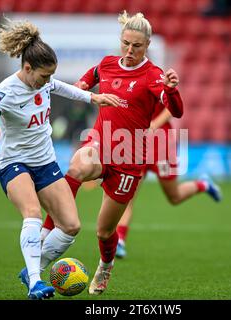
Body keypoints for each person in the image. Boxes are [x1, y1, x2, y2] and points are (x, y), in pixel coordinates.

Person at [0, 19, 119, 299]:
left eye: (50, 76)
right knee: (33, 214)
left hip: (45, 162)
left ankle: (32, 270)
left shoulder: (45, 83)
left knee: (71, 226)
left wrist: (92, 98)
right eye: (43, 76)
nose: (47, 81)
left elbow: (61, 88)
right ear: (27, 68)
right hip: (14, 163)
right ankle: (36, 283)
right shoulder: (7, 91)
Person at [41, 10, 184, 295]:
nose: (130, 50)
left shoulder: (154, 75)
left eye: (137, 46)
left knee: (104, 232)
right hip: (99, 143)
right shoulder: (106, 64)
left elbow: (176, 111)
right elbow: (83, 84)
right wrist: (76, 89)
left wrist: (173, 90)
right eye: (126, 43)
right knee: (76, 169)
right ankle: (49, 234)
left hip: (129, 158)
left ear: (147, 45)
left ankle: (105, 266)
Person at [115, 101, 222, 259]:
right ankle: (120, 241)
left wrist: (152, 125)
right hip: (135, 144)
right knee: (126, 198)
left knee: (174, 196)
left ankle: (203, 184)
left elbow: (172, 106)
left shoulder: (158, 77)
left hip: (162, 145)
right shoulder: (125, 79)